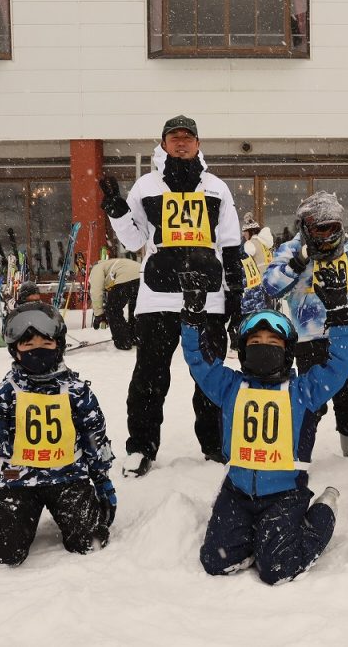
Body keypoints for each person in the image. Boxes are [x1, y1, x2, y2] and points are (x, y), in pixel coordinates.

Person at [180, 264, 348, 584]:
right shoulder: (229, 387)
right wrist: (192, 317)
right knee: (215, 561)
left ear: (287, 352)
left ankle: (323, 511)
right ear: (244, 350)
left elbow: (340, 366)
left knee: (277, 570)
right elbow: (197, 359)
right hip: (237, 493)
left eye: (273, 342)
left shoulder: (303, 392)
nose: (264, 346)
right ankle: (254, 538)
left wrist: (340, 313)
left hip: (284, 494)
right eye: (255, 341)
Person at [99, 115, 245, 477]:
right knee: (149, 377)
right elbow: (133, 240)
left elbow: (230, 244)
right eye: (174, 137)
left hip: (208, 297)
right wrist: (116, 210)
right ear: (163, 143)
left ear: (198, 143)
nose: (181, 142)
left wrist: (235, 295)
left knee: (210, 376)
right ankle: (141, 447)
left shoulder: (216, 188)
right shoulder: (146, 186)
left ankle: (216, 445)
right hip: (157, 298)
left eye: (187, 137)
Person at [0, 302, 116, 565]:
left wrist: (103, 482)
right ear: (15, 351)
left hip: (69, 478)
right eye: (28, 345)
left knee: (91, 542)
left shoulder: (76, 391)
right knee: (0, 554)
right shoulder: (5, 394)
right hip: (17, 481)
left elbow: (94, 438)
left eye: (46, 344)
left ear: (58, 346)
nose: (38, 351)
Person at [262, 191, 348, 462]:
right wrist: (296, 264)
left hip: (347, 333)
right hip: (309, 337)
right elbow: (270, 286)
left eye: (332, 226)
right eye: (320, 227)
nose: (326, 233)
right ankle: (299, 442)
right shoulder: (292, 249)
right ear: (306, 226)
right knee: (311, 394)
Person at [89, 257, 141, 350]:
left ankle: (123, 341)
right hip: (143, 277)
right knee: (136, 309)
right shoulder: (113, 264)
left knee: (113, 310)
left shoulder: (96, 268)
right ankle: (135, 337)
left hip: (126, 278)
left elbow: (96, 291)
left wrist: (99, 314)